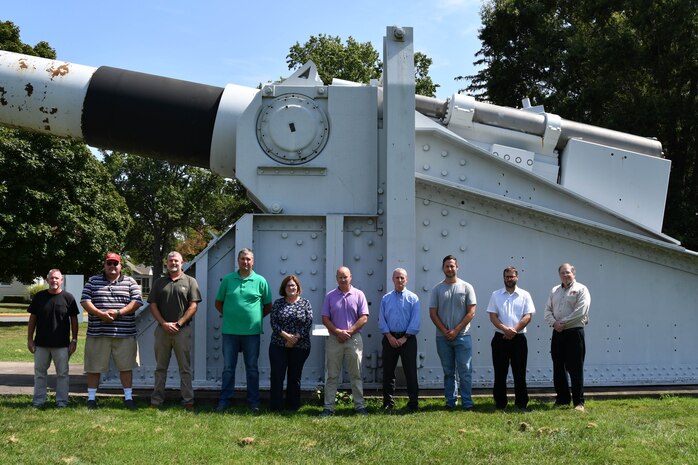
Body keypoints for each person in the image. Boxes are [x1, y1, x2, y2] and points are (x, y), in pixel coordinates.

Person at [81, 252, 143, 410]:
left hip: (124, 334)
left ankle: (128, 398)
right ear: (105, 265)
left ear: (120, 266)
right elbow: (85, 301)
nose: (112, 267)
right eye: (109, 263)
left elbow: (136, 301)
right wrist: (101, 314)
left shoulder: (130, 282)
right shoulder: (93, 281)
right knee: (93, 367)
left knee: (126, 367)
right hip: (98, 333)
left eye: (115, 264)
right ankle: (91, 399)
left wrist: (118, 313)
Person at [215, 248, 272, 412]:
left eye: (248, 259)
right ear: (237, 261)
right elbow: (218, 303)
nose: (245, 262)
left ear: (252, 261)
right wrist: (232, 317)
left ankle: (254, 402)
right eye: (242, 259)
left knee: (252, 368)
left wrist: (255, 318)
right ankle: (224, 400)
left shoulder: (260, 281)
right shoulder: (228, 280)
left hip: (252, 333)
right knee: (228, 368)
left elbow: (268, 305)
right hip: (230, 331)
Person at [148, 251, 202, 411]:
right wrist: (164, 323)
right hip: (162, 331)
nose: (173, 263)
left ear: (182, 263)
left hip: (182, 331)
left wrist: (178, 324)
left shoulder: (190, 281)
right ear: (167, 263)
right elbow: (153, 305)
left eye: (176, 260)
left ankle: (188, 401)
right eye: (170, 261)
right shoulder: (159, 282)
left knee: (184, 368)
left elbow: (193, 305)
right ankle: (156, 401)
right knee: (160, 368)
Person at [319, 266, 370, 416]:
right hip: (335, 339)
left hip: (353, 339)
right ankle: (328, 408)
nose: (343, 279)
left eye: (345, 277)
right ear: (336, 278)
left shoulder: (359, 294)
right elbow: (325, 318)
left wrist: (349, 331)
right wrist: (337, 331)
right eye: (340, 277)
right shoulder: (330, 296)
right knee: (332, 375)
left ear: (351, 277)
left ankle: (360, 406)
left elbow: (364, 317)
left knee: (356, 375)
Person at [429, 255, 477, 410]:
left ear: (457, 267)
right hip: (442, 338)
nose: (449, 269)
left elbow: (471, 312)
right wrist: (445, 331)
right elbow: (433, 313)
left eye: (452, 266)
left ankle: (467, 403)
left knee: (465, 371)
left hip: (463, 336)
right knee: (448, 371)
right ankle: (451, 402)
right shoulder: (437, 289)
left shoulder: (466, 287)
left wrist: (456, 330)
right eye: (447, 266)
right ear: (443, 268)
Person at [27, 269, 80, 408]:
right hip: (41, 344)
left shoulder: (68, 298)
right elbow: (32, 319)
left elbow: (74, 320)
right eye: (51, 278)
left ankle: (61, 402)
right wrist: (30, 339)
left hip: (62, 345)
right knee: (39, 373)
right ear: (47, 280)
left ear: (61, 280)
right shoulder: (39, 297)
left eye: (57, 278)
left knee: (62, 374)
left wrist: (74, 340)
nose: (54, 281)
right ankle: (38, 401)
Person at [486, 266, 536, 411]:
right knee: (500, 372)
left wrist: (514, 330)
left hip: (519, 339)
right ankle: (500, 403)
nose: (509, 279)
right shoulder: (496, 295)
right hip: (500, 338)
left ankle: (521, 403)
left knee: (519, 372)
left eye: (512, 276)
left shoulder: (525, 295)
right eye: (507, 276)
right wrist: (504, 329)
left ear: (517, 277)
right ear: (503, 278)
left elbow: (528, 316)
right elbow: (492, 316)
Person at [544, 263, 591, 412]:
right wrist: (554, 324)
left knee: (575, 368)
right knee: (558, 367)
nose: (565, 275)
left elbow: (581, 311)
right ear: (559, 275)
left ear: (574, 274)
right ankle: (562, 399)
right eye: (562, 273)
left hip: (574, 332)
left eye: (568, 272)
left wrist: (562, 323)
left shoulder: (581, 289)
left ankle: (579, 403)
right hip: (557, 333)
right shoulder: (554, 290)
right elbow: (547, 311)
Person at [268, 275, 313, 411]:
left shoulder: (305, 303)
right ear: (284, 288)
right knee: (277, 376)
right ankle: (276, 406)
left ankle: (292, 406)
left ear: (298, 288)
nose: (291, 287)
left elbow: (308, 322)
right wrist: (287, 337)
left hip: (300, 346)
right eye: (288, 285)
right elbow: (273, 323)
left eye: (293, 285)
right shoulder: (278, 303)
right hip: (278, 345)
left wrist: (295, 338)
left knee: (294, 377)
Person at [379, 268, 421, 413]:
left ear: (406, 279)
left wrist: (404, 338)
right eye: (397, 278)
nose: (400, 280)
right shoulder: (386, 298)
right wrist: (390, 337)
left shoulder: (413, 298)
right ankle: (388, 403)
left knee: (410, 372)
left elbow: (415, 321)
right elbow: (382, 320)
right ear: (393, 280)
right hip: (389, 338)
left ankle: (413, 403)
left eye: (402, 278)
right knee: (388, 372)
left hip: (408, 339)